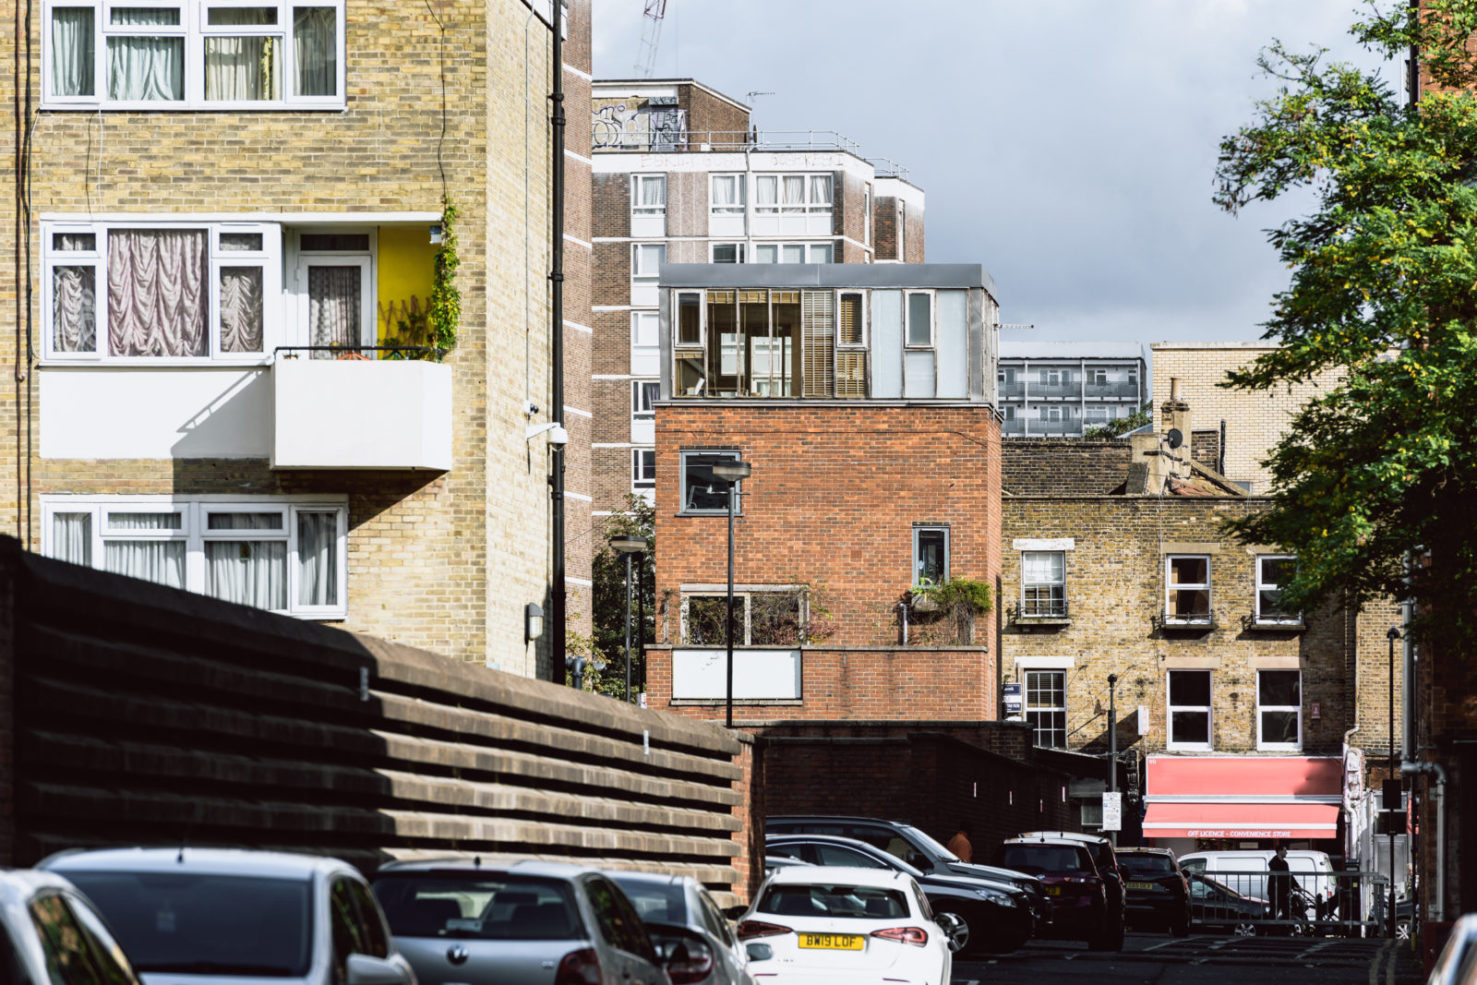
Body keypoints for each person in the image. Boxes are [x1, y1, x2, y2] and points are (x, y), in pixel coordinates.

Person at [1268, 843, 1296, 928]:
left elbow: (1289, 876)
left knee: (1286, 911)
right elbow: (1284, 877)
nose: (1286, 852)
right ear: (1279, 851)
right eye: (1285, 850)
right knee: (1274, 911)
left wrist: (1295, 885)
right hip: (1276, 892)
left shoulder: (1285, 863)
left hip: (1284, 892)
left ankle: (1284, 929)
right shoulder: (1274, 863)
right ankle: (1271, 930)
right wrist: (1291, 886)